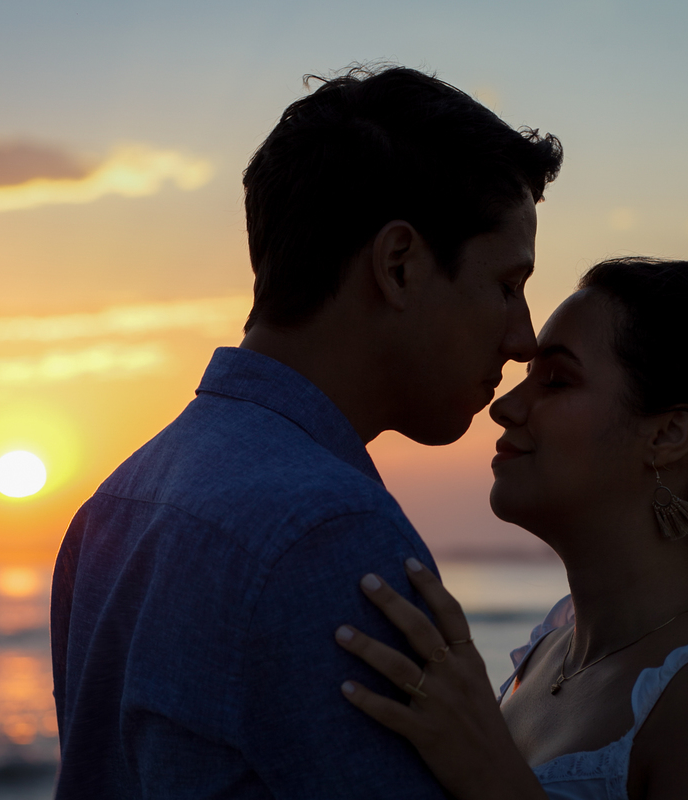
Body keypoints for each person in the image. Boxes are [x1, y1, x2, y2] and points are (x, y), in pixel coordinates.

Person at [49, 65, 563, 797]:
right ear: (399, 265)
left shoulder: (116, 503)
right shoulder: (331, 533)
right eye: (508, 286)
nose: (524, 338)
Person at [335, 258, 688, 800]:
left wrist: (489, 774)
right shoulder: (547, 652)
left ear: (667, 435)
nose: (506, 406)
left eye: (557, 381)